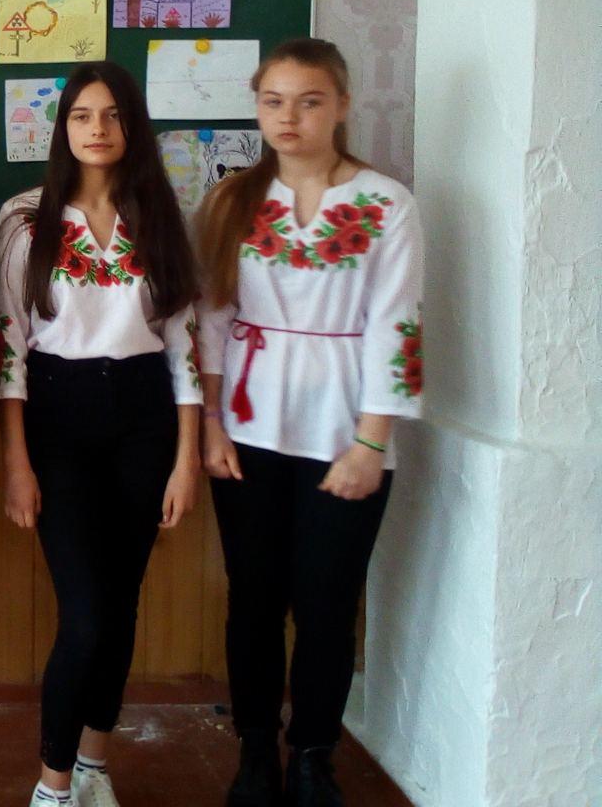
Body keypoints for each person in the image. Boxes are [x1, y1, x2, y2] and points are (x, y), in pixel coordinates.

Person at [195, 39, 423, 807]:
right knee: (254, 600)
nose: (288, 117)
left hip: (344, 437)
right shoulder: (231, 200)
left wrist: (371, 442)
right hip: (248, 431)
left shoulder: (385, 203)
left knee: (327, 601)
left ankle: (314, 756)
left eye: (309, 101)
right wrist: (212, 426)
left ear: (343, 105)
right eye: (273, 101)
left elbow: (397, 325)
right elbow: (213, 319)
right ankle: (256, 750)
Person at [0, 63, 202, 807]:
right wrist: (17, 461)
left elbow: (183, 342)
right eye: (82, 115)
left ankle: (94, 766)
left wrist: (186, 459)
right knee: (84, 615)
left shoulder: (161, 215)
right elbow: (8, 346)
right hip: (59, 417)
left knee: (121, 606)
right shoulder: (25, 217)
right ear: (63, 128)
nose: (98, 129)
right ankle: (52, 785)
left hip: (145, 417)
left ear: (132, 126)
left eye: (112, 115)